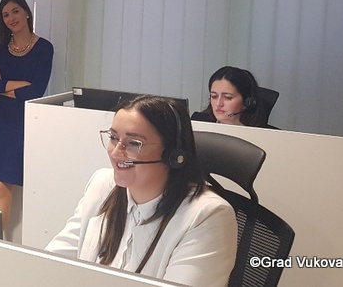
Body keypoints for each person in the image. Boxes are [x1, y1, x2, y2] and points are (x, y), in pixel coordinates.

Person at [46, 95, 237, 287]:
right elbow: (50, 264)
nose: (115, 152)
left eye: (133, 143)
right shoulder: (102, 185)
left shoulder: (207, 216)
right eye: (113, 138)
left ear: (173, 155)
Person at [0, 0, 53, 231]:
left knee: (2, 187)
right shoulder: (0, 47)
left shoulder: (44, 48)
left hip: (20, 123)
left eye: (15, 11)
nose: (11, 18)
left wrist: (3, 85)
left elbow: (36, 91)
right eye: (5, 15)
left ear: (26, 12)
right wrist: (19, 84)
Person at [192, 66, 268, 127]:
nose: (218, 104)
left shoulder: (264, 134)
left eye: (227, 97)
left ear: (247, 101)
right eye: (214, 96)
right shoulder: (198, 122)